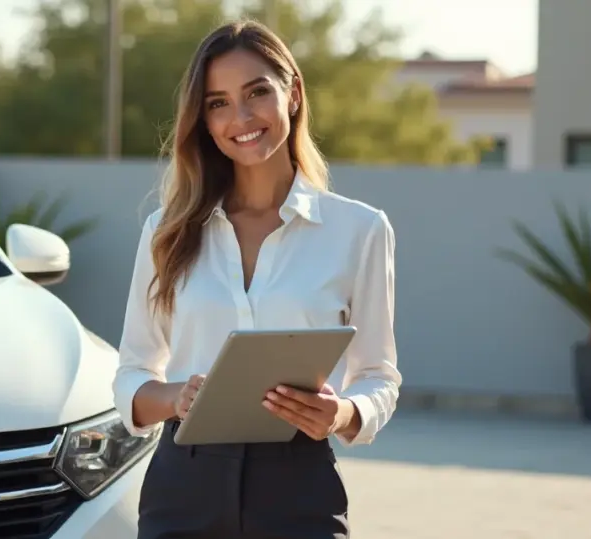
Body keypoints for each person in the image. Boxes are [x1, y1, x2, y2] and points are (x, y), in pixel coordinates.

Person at [112, 19, 402, 539]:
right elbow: (132, 374)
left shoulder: (359, 230)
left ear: (292, 93)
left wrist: (341, 415)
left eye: (256, 93)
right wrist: (177, 397)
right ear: (202, 120)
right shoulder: (167, 232)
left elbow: (380, 376)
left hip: (299, 483)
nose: (240, 118)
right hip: (184, 483)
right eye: (218, 103)